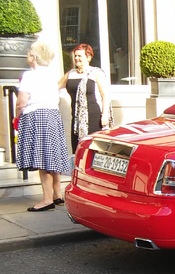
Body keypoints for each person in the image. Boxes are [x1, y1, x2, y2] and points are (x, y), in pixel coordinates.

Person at [15, 41, 72, 212]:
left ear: (33, 56)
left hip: (36, 116)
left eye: (29, 52)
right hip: (53, 116)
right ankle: (57, 194)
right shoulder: (51, 75)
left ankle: (47, 199)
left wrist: (16, 118)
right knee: (52, 156)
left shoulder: (29, 76)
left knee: (43, 160)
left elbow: (21, 102)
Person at [58, 43, 112, 153]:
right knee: (78, 149)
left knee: (93, 149)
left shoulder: (96, 72)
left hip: (93, 117)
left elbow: (105, 94)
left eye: (80, 56)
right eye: (75, 56)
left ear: (88, 57)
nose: (77, 58)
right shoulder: (70, 74)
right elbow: (55, 87)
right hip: (77, 120)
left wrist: (105, 114)